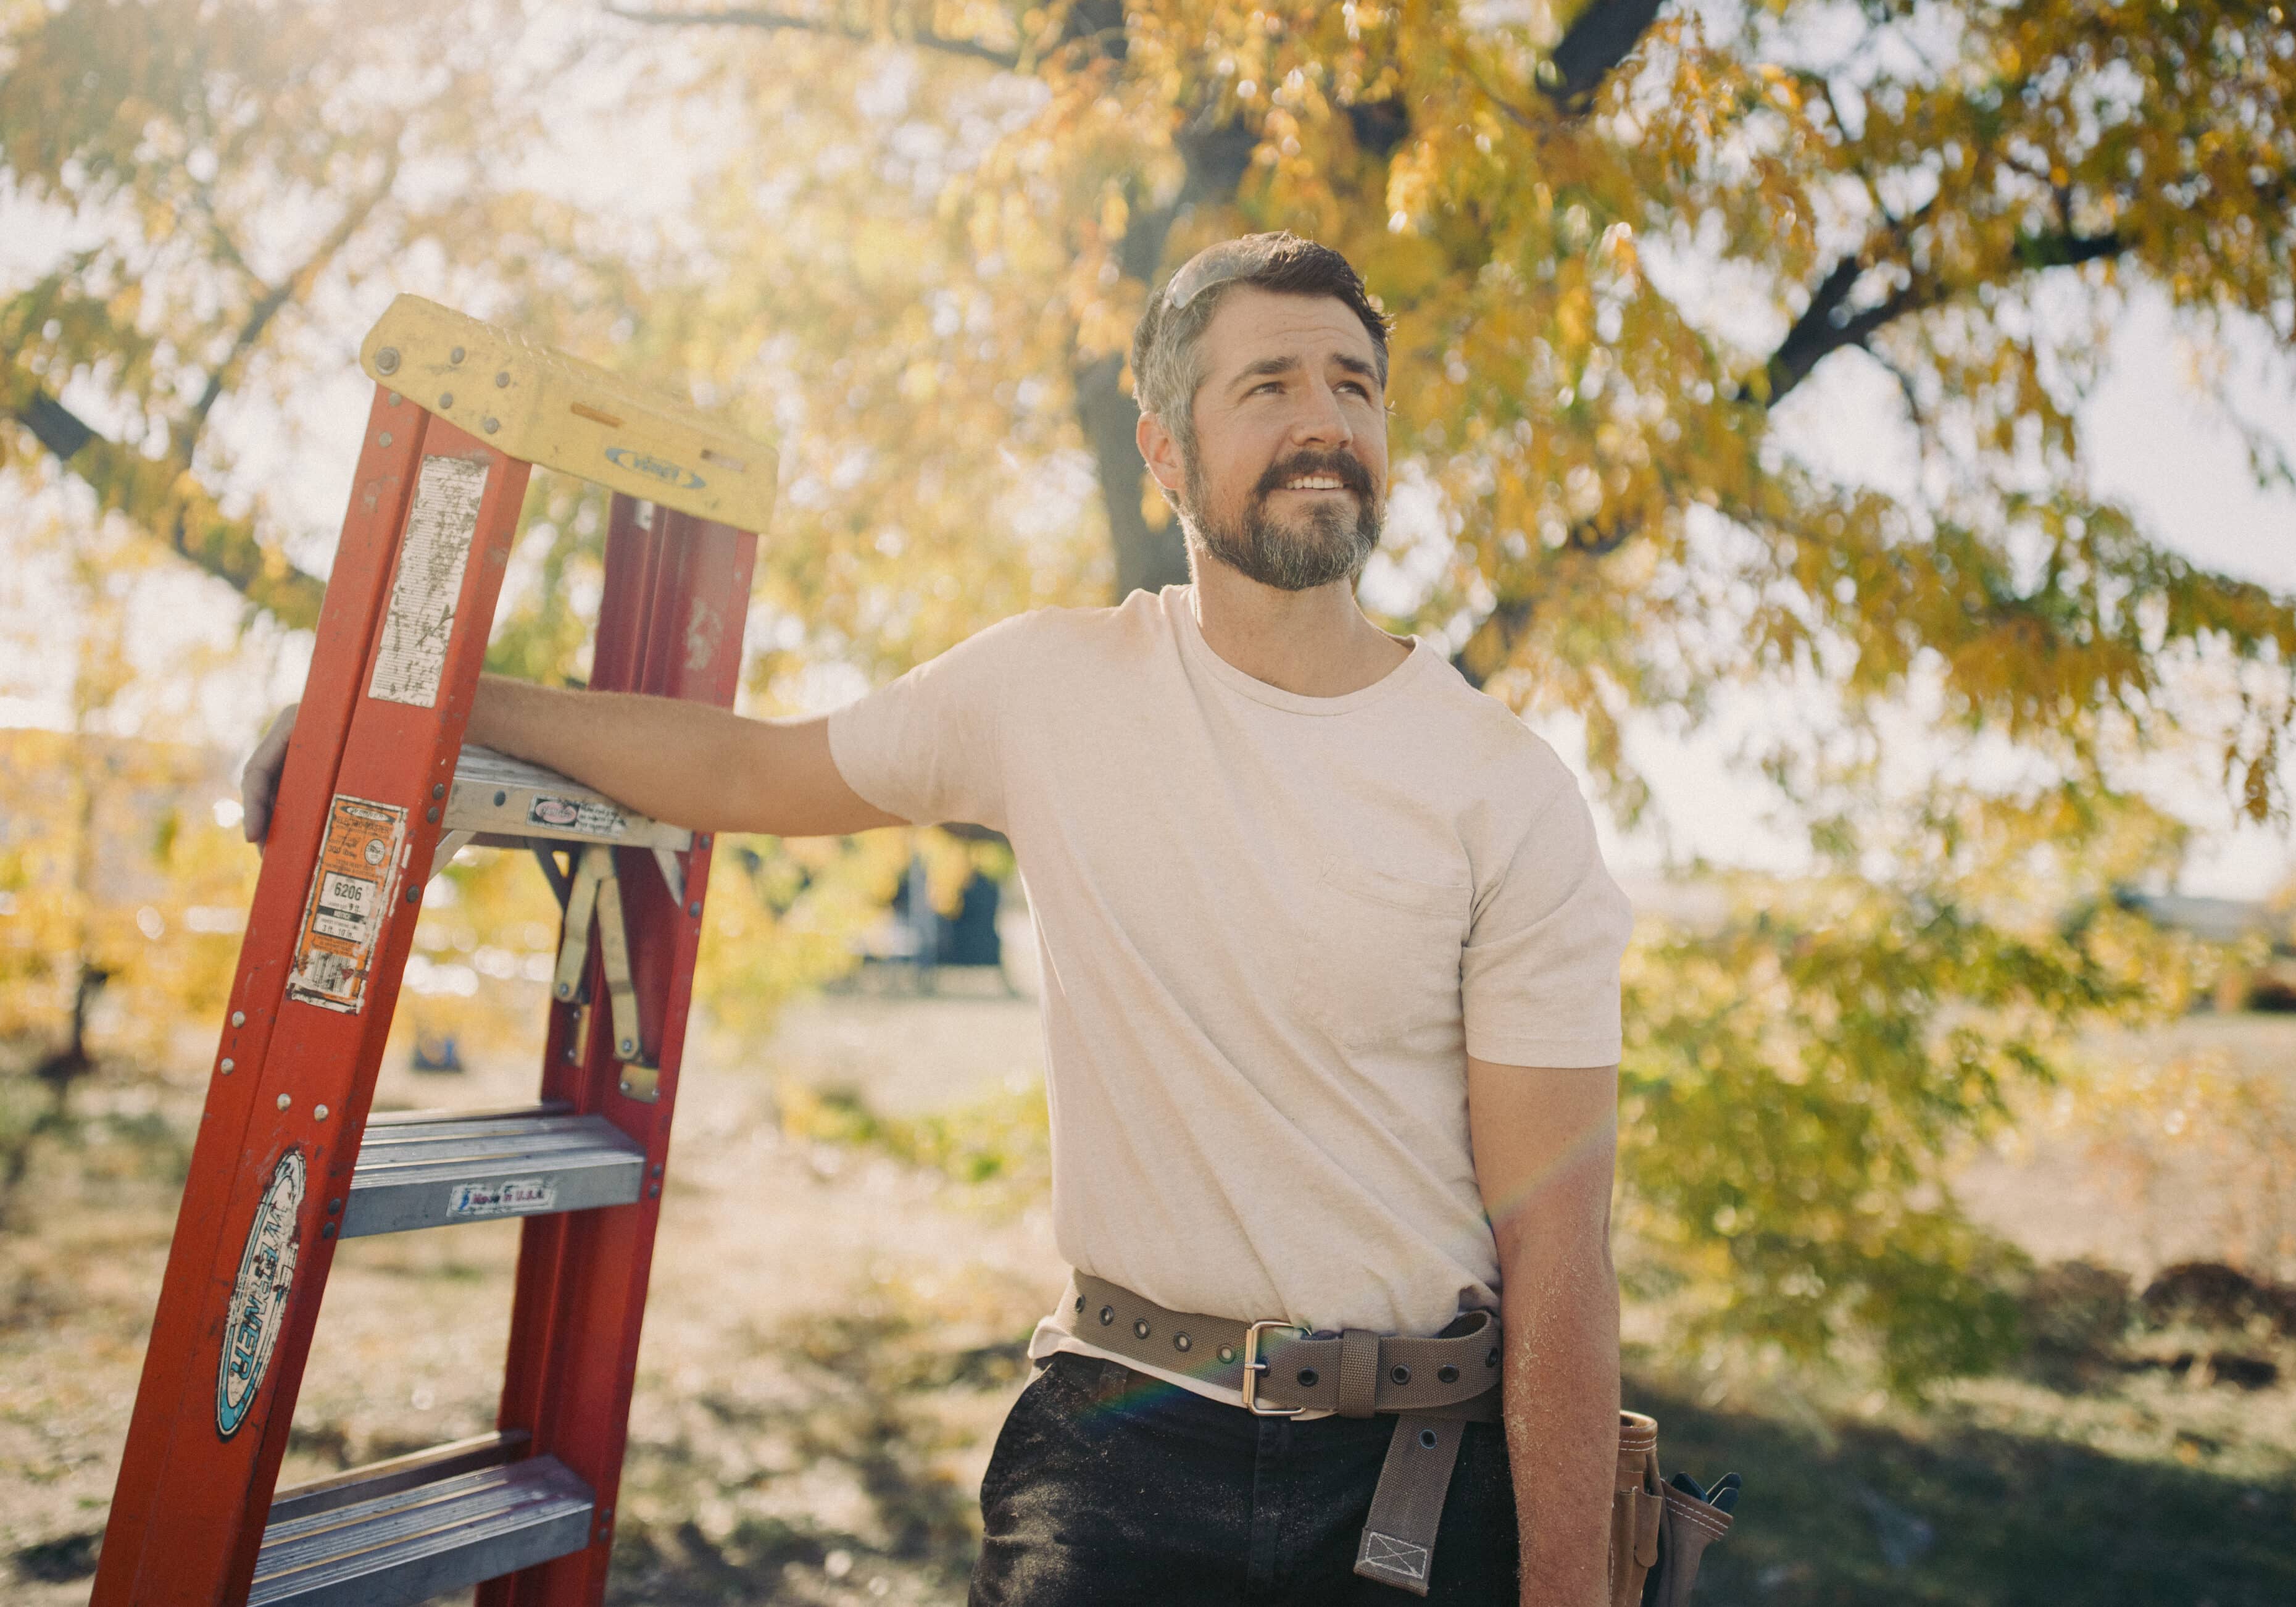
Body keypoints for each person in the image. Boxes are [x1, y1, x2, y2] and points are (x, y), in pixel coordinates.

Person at [243, 233, 1631, 1606]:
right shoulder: (1049, 690)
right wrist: (418, 706)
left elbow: (1557, 1247)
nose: (1324, 420)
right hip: (1115, 1452)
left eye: (1353, 384)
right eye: (1268, 385)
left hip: (1408, 1489)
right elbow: (748, 766)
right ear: (1162, 455)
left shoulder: (1500, 787)